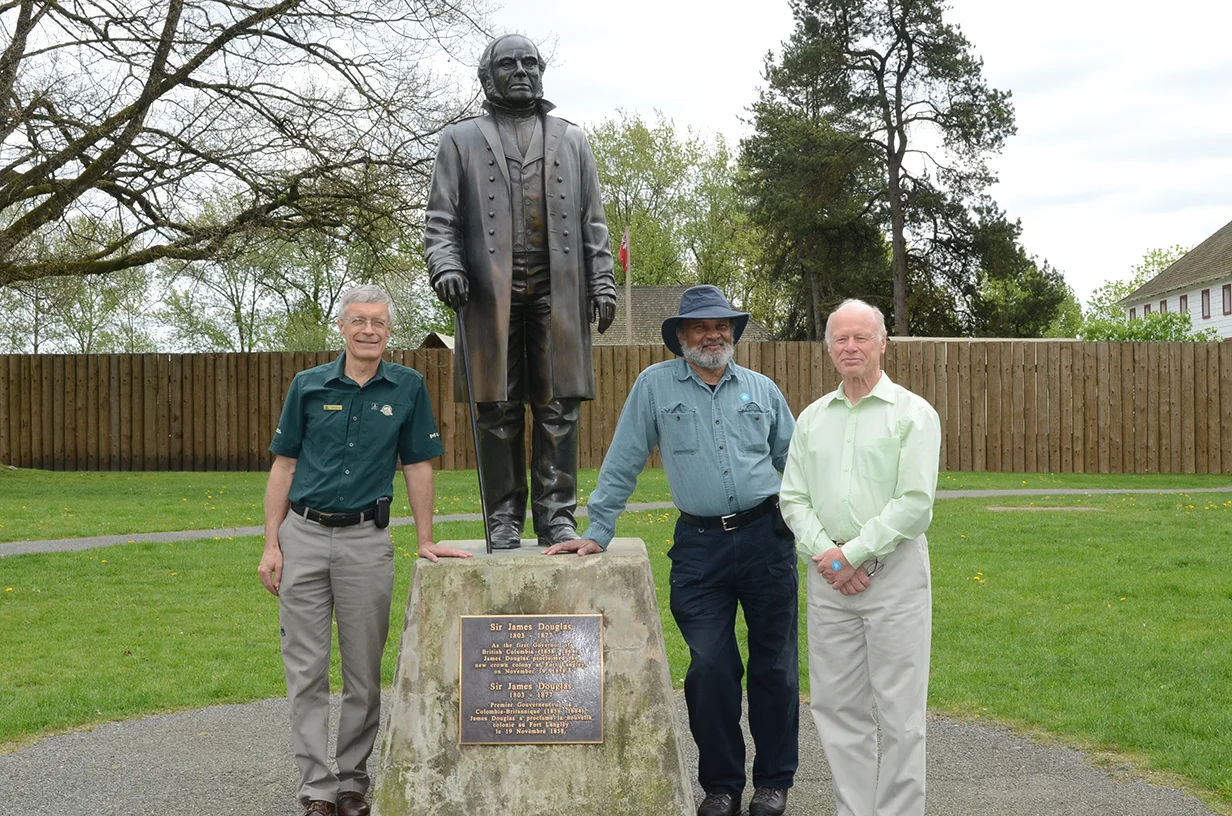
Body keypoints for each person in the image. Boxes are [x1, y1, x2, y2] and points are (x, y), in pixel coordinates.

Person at [545, 285, 798, 816]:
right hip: (700, 547)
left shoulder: (762, 389)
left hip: (766, 540)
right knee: (710, 666)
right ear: (681, 336)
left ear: (733, 333)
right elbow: (623, 458)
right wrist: (600, 530)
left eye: (722, 326)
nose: (713, 335)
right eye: (701, 327)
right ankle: (723, 786)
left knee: (774, 665)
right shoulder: (654, 387)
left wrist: (819, 529)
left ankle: (773, 782)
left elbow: (797, 466)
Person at [258, 285, 471, 816]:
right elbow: (283, 467)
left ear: (389, 330)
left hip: (365, 543)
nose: (369, 330)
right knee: (305, 670)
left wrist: (424, 538)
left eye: (378, 322)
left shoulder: (408, 387)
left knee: (362, 673)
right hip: (302, 539)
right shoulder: (308, 386)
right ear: (342, 328)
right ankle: (316, 788)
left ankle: (352, 781)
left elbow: (418, 465)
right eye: (359, 321)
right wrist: (271, 544)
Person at [424, 33, 616, 549]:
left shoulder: (572, 139)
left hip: (560, 291)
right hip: (488, 295)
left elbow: (593, 222)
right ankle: (503, 517)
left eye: (530, 63)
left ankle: (556, 515)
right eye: (508, 64)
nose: (522, 71)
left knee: (558, 408)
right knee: (497, 407)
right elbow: (441, 221)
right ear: (487, 77)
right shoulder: (459, 140)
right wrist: (446, 266)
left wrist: (602, 282)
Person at [778, 299, 941, 816]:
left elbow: (914, 504)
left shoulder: (914, 415)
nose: (850, 347)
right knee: (837, 707)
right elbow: (793, 499)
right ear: (828, 348)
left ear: (883, 343)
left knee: (900, 713)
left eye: (861, 338)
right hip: (829, 583)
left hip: (893, 578)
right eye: (840, 339)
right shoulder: (811, 419)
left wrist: (853, 555)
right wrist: (830, 558)